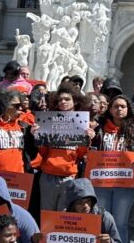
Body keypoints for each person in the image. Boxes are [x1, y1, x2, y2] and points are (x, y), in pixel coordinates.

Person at [90, 94, 134, 243]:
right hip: (101, 182)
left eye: (123, 106)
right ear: (110, 109)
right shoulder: (98, 128)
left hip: (125, 183)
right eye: (116, 106)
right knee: (101, 221)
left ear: (128, 109)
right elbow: (90, 150)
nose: (119, 109)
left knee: (121, 222)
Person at [36, 178, 123, 243]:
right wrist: (36, 241)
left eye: (88, 201)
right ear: (72, 205)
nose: (85, 206)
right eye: (80, 203)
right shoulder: (62, 218)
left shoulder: (104, 218)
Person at [38, 83, 93, 211]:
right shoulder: (48, 121)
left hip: (69, 176)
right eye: (60, 99)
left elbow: (80, 155)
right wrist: (39, 137)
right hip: (48, 175)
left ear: (75, 101)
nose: (63, 102)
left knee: (63, 217)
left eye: (67, 99)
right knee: (47, 217)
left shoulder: (82, 123)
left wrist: (88, 140)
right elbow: (43, 153)